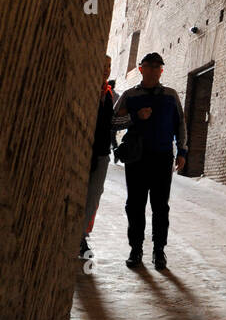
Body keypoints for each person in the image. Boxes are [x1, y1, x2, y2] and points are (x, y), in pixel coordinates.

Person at [113, 52, 187, 270]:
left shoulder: (171, 95)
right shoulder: (129, 96)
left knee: (160, 207)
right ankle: (135, 250)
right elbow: (114, 122)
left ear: (161, 71)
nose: (153, 70)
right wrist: (136, 117)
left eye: (157, 67)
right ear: (141, 69)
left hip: (162, 157)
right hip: (137, 158)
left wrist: (182, 151)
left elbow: (180, 124)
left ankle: (159, 251)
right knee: (135, 205)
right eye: (149, 66)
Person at [80, 55, 115, 257]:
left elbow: (112, 123)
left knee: (93, 196)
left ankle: (81, 237)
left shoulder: (109, 94)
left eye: (109, 66)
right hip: (84, 150)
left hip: (101, 152)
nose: (106, 70)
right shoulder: (88, 88)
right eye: (103, 65)